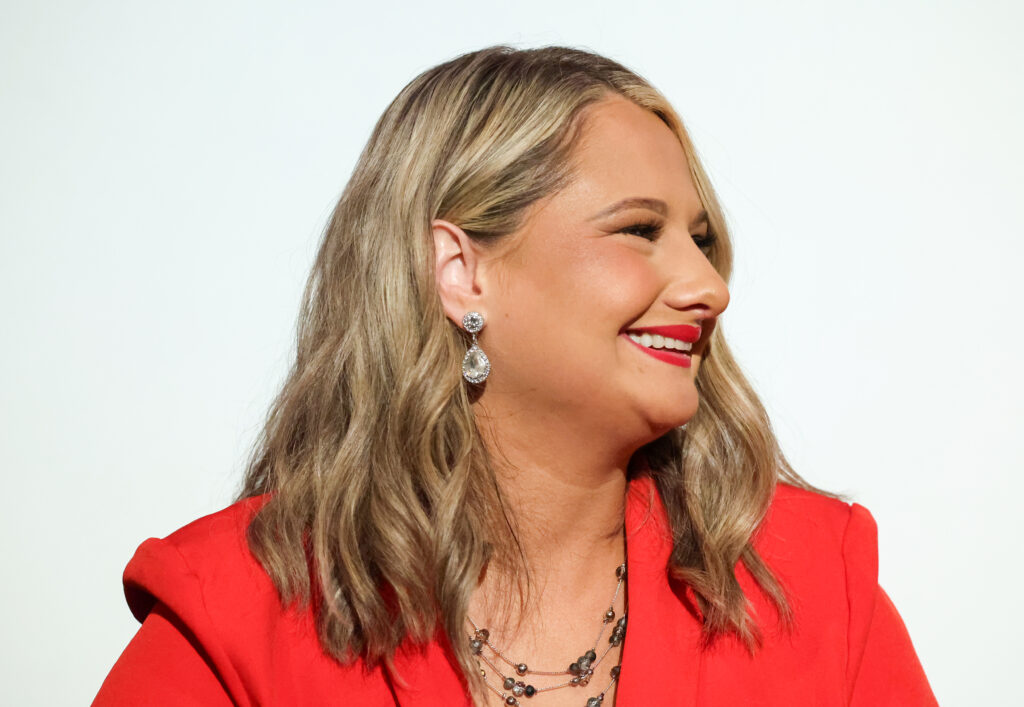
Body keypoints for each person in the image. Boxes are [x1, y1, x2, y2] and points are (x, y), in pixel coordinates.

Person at [92, 45, 938, 706]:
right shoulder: (235, 614)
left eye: (701, 239)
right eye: (640, 230)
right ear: (461, 271)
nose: (708, 286)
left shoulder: (815, 584)